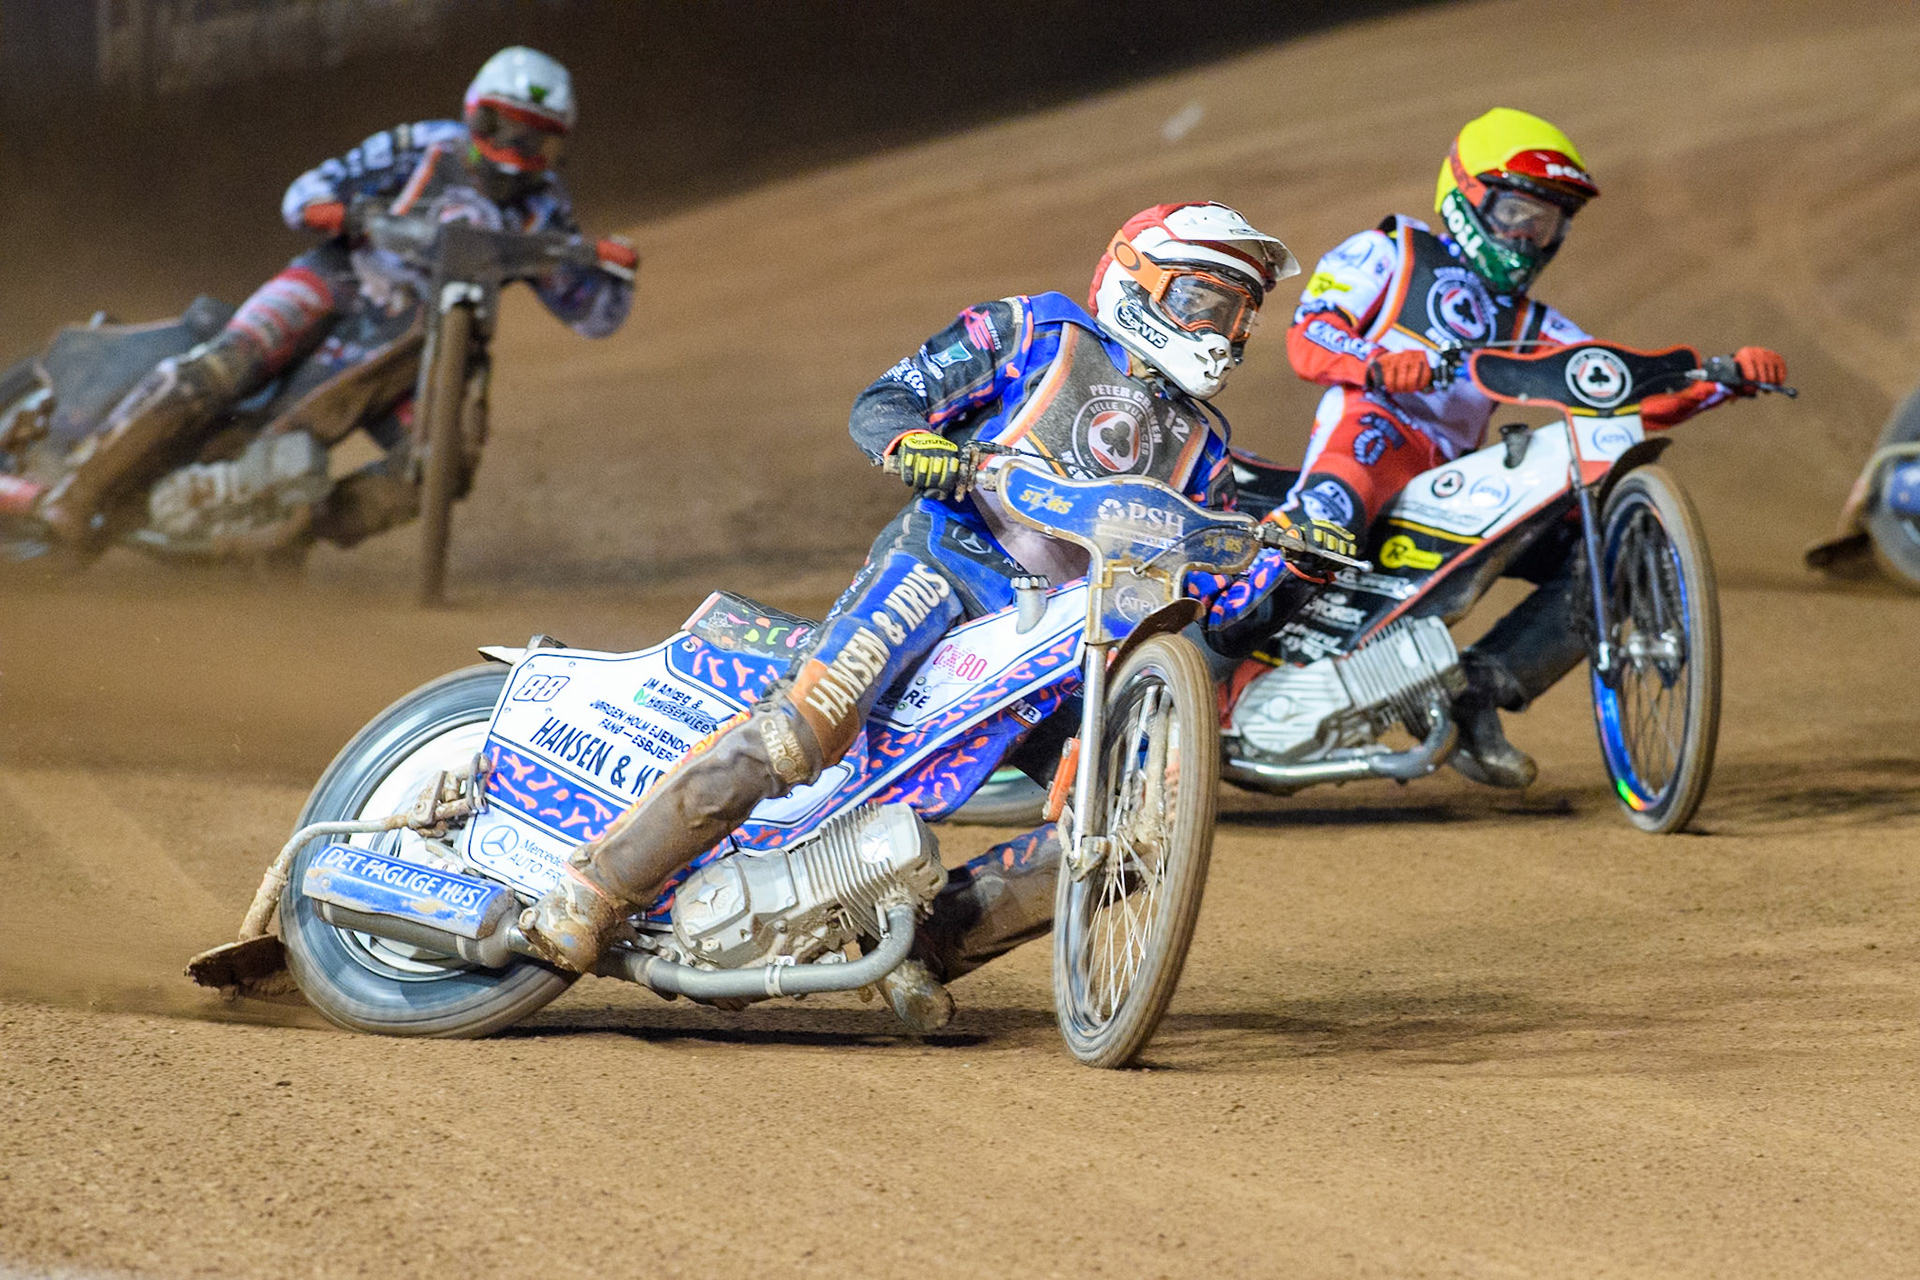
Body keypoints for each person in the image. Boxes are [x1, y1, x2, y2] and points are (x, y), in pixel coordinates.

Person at [519, 201, 1351, 1029]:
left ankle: (921, 945)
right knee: (807, 726)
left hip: (1059, 650)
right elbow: (888, 399)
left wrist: (1296, 570)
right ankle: (596, 888)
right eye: (1208, 303)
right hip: (944, 567)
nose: (1224, 334)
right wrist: (916, 443)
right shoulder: (1034, 330)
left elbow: (1220, 615)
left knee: (1134, 824)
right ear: (1138, 280)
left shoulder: (1206, 451)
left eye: (1240, 316)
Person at [1206, 108, 1788, 788]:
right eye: (1516, 214)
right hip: (1371, 431)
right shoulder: (1390, 253)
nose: (1528, 238)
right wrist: (1377, 365)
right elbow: (1310, 334)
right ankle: (1216, 670)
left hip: (1449, 475)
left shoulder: (1534, 322)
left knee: (1605, 550)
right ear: (1465, 198)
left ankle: (1475, 693)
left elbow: (1614, 386)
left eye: (1547, 224)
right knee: (1328, 511)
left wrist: (1716, 382)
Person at [39, 46, 636, 554]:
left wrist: (614, 271)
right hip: (341, 279)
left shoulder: (546, 208)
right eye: (503, 128)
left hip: (426, 345)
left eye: (536, 141)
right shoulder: (424, 145)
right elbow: (304, 194)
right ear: (474, 114)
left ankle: (293, 529)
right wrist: (350, 214)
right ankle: (77, 492)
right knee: (229, 362)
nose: (515, 150)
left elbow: (593, 316)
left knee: (443, 468)